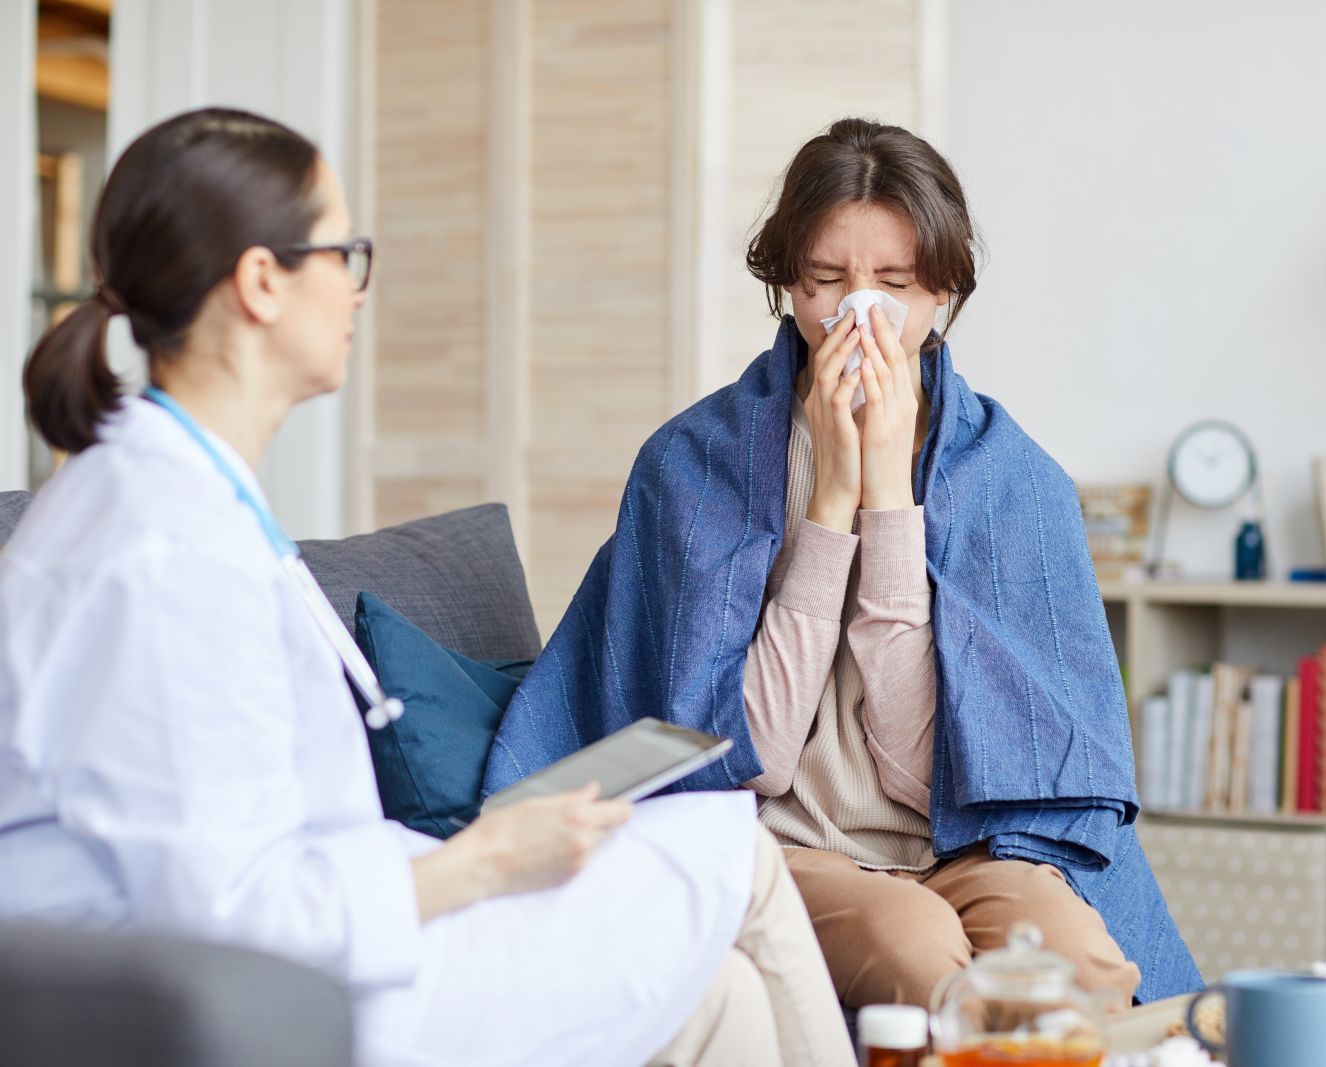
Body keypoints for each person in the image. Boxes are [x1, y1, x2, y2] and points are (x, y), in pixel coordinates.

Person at [0, 107, 854, 1067]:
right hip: (249, 1002)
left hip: (329, 936)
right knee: (736, 852)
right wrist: (482, 861)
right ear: (261, 282)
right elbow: (233, 917)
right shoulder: (159, 549)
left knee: (721, 995)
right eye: (344, 253)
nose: (360, 292)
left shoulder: (169, 492)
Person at [486, 118, 1204, 1012]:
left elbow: (916, 770)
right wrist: (829, 501)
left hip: (974, 846)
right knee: (920, 956)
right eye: (828, 282)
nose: (858, 315)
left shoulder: (1012, 480)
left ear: (942, 292)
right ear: (788, 284)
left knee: (1082, 969)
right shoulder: (691, 464)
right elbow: (749, 760)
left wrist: (892, 504)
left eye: (894, 285)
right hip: (784, 838)